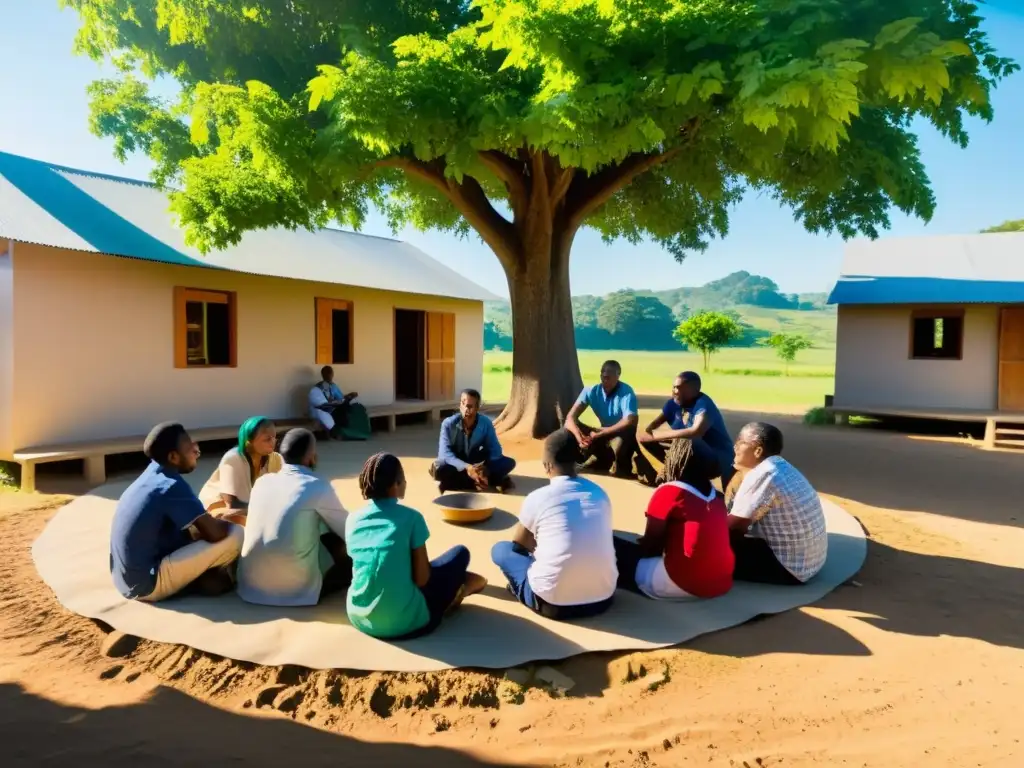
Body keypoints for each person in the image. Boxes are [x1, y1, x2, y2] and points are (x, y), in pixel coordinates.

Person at [345, 452, 487, 639]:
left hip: (359, 617)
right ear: (395, 485)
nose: (405, 483)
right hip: (406, 623)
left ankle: (464, 583)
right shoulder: (412, 518)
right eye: (403, 479)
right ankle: (464, 587)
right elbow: (422, 579)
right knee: (460, 554)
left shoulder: (353, 519)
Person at [490, 429, 617, 621]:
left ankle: (522, 590)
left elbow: (519, 546)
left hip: (552, 603)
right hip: (603, 598)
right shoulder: (600, 494)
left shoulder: (538, 497)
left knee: (500, 550)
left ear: (547, 465)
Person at [109, 422, 243, 602]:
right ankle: (208, 578)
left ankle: (200, 579)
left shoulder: (151, 475)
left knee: (196, 527)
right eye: (190, 449)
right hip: (147, 584)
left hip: (124, 578)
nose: (196, 451)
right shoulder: (171, 485)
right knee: (235, 534)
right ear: (173, 456)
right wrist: (224, 518)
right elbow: (217, 534)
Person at [237, 428, 352, 606]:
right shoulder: (316, 485)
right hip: (294, 590)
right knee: (343, 548)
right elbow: (348, 531)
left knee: (308, 519)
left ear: (280, 457)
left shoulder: (262, 482)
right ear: (312, 457)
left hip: (251, 586)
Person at [612, 439, 734, 600]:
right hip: (721, 583)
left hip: (679, 583)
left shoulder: (670, 492)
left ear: (677, 460)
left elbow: (651, 543)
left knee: (611, 544)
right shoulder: (717, 496)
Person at [727, 422, 828, 585]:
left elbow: (735, 526)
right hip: (809, 563)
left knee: (708, 548)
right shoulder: (779, 466)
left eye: (740, 442)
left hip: (789, 569)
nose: (735, 447)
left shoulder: (762, 474)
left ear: (758, 450)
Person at [639, 371, 735, 487]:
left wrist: (657, 435)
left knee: (686, 440)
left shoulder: (704, 405)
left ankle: (677, 473)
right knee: (646, 440)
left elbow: (695, 432)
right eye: (674, 387)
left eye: (679, 388)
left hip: (717, 458)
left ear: (694, 390)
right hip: (691, 452)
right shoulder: (673, 404)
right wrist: (649, 433)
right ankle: (672, 468)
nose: (674, 391)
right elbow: (653, 425)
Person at [565, 360, 654, 481]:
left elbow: (629, 420)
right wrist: (578, 436)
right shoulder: (590, 391)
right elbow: (570, 417)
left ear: (618, 376)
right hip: (602, 431)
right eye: (604, 377)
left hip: (622, 433)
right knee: (568, 430)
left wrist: (602, 432)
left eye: (610, 378)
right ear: (601, 375)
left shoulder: (626, 392)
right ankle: (595, 459)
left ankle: (621, 465)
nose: (606, 381)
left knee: (620, 444)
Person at [430, 388, 516, 493]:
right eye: (463, 403)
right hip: (457, 461)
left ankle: (474, 480)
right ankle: (487, 482)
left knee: (508, 463)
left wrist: (484, 469)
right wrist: (467, 467)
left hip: (475, 459)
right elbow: (445, 454)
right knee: (440, 471)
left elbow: (496, 450)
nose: (466, 408)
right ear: (460, 405)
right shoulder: (448, 424)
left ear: (477, 408)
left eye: (470, 406)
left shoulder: (486, 424)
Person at [198, 416, 283, 521]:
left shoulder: (276, 459)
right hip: (219, 511)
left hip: (250, 510)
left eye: (274, 437)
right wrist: (267, 509)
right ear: (249, 443)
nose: (273, 442)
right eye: (267, 439)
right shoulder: (233, 458)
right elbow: (232, 504)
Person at [309, 365, 371, 441]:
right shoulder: (316, 389)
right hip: (323, 411)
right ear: (323, 375)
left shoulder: (333, 386)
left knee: (354, 408)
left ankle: (353, 431)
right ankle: (335, 433)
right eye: (327, 373)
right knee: (333, 414)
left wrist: (349, 396)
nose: (329, 375)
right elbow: (324, 405)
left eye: (330, 373)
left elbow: (341, 398)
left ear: (332, 374)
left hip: (333, 409)